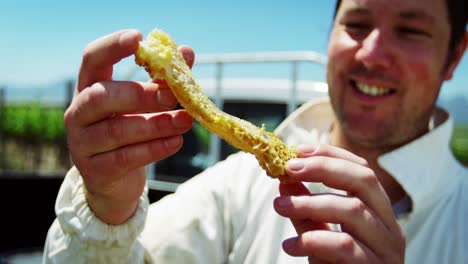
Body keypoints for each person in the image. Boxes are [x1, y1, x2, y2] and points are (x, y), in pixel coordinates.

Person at [43, 0, 468, 263]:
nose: (372, 52)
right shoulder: (236, 188)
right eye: (356, 23)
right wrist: (106, 211)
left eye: (411, 30)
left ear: (454, 58)